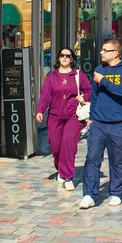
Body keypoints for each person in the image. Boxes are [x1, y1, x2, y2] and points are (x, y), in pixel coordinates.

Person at [79, 39, 122, 209]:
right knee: (92, 158)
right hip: (98, 123)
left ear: (115, 53)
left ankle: (116, 192)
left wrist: (104, 81)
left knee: (118, 159)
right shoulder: (98, 69)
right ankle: (89, 194)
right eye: (101, 49)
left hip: (118, 122)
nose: (101, 53)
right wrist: (91, 117)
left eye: (105, 50)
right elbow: (95, 96)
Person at [36, 47, 91, 191]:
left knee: (69, 143)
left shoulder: (78, 75)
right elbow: (45, 95)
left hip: (74, 116)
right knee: (55, 145)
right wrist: (40, 110)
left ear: (72, 59)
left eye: (68, 56)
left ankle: (68, 176)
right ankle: (61, 168)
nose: (65, 58)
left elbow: (89, 91)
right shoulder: (52, 77)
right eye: (62, 55)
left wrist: (84, 97)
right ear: (59, 58)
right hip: (55, 116)